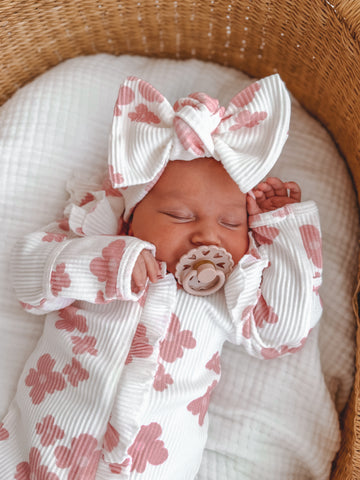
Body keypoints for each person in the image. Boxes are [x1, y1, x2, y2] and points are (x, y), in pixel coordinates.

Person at [0, 74, 322, 479]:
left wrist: (282, 229)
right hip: (33, 454)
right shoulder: (98, 246)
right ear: (131, 218)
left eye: (230, 223)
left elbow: (285, 333)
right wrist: (107, 262)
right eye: (179, 216)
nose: (207, 234)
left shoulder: (224, 298)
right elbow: (28, 281)